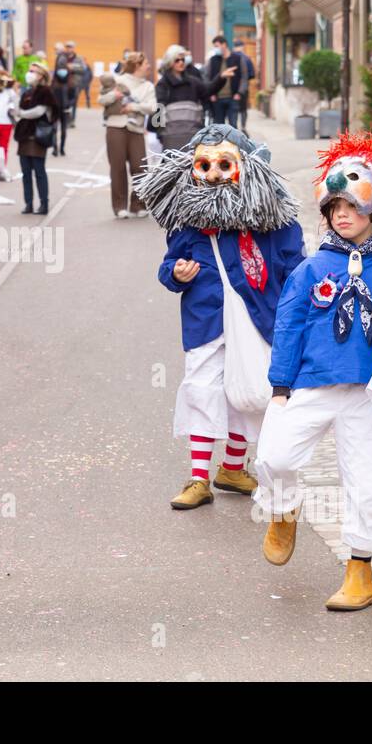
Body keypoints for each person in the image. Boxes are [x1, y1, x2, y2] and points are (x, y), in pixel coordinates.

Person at [254, 133, 372, 611]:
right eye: (334, 207)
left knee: (366, 481)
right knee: (273, 456)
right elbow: (289, 324)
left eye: (351, 206)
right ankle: (284, 507)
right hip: (312, 383)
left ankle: (360, 571)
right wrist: (279, 385)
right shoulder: (312, 269)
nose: (341, 214)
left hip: (371, 392)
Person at [136, 125, 305, 509]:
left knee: (249, 391)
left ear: (247, 166)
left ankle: (232, 468)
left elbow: (295, 268)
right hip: (205, 323)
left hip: (258, 317)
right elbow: (168, 265)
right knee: (202, 388)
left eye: (225, 164)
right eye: (205, 165)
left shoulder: (273, 222)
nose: (214, 174)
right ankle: (198, 478)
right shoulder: (189, 225)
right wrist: (175, 273)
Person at [99, 51, 157, 218]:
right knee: (117, 168)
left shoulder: (148, 86)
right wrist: (113, 95)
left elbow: (152, 107)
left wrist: (134, 107)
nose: (149, 66)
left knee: (140, 167)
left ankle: (138, 205)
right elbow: (101, 100)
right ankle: (119, 207)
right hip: (115, 126)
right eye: (146, 63)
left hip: (137, 129)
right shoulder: (118, 80)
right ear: (137, 65)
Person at [156, 46, 234, 151]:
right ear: (170, 62)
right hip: (171, 136)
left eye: (183, 59)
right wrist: (160, 134)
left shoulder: (193, 81)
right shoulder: (163, 84)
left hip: (193, 133)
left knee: (193, 165)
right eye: (177, 60)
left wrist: (221, 77)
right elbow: (158, 109)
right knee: (173, 166)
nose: (181, 62)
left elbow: (208, 90)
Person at [11, 60, 57, 215]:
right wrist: (17, 96)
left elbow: (40, 111)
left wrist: (22, 114)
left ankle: (44, 204)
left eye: (33, 71)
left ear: (41, 75)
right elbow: (18, 110)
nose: (29, 74)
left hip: (38, 137)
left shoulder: (45, 92)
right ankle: (28, 203)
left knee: (39, 171)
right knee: (25, 173)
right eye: (29, 71)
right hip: (25, 136)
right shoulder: (27, 92)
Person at [52, 40, 86, 154]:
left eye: (70, 47)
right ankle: (57, 148)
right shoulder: (56, 83)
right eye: (67, 47)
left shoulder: (77, 59)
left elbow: (83, 69)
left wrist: (69, 104)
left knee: (61, 127)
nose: (68, 49)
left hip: (66, 99)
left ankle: (60, 148)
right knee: (57, 127)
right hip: (59, 104)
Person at [205, 35, 232, 125]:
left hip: (232, 97)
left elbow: (243, 77)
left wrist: (239, 93)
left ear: (224, 45)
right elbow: (208, 77)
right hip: (217, 98)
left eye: (217, 46)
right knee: (218, 126)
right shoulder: (213, 60)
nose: (215, 49)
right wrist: (211, 93)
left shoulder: (235, 58)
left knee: (233, 126)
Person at [232, 39, 256, 131]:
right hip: (244, 88)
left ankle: (234, 128)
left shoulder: (230, 58)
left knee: (233, 109)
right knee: (243, 109)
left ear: (234, 47)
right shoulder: (247, 58)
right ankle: (243, 127)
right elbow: (251, 74)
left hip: (232, 88)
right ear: (242, 47)